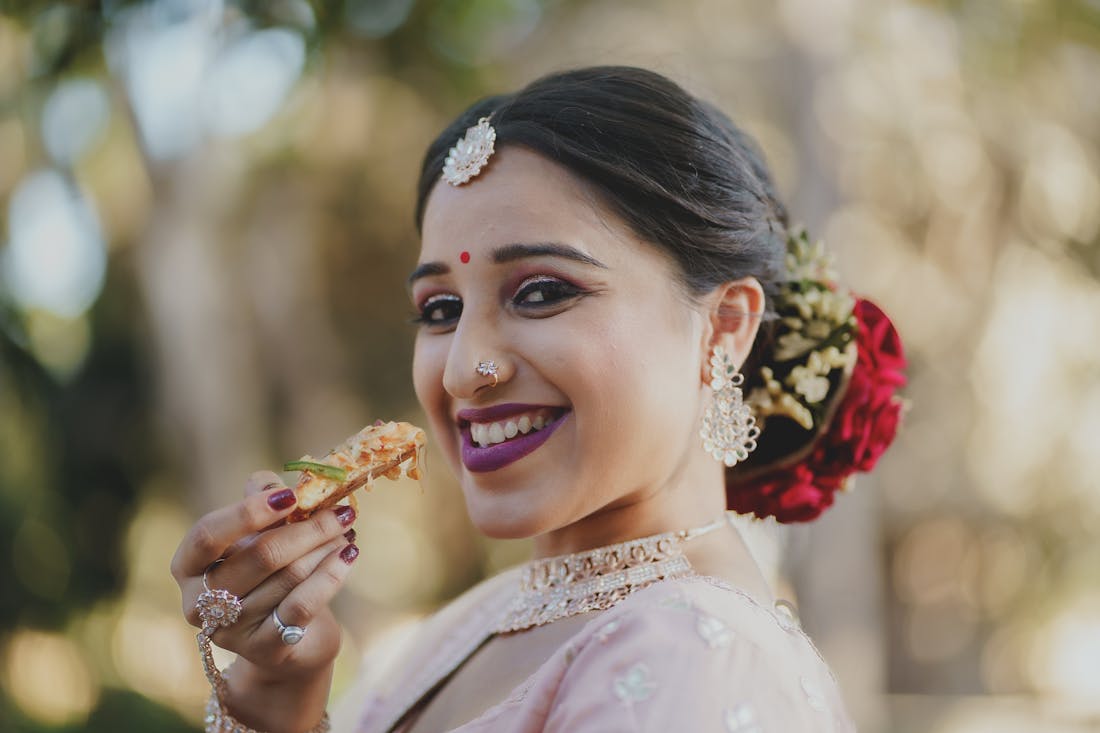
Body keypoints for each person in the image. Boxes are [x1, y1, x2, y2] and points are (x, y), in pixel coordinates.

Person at [172, 66, 908, 733]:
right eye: (439, 309)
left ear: (723, 327)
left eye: (542, 292)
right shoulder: (469, 626)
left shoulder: (692, 653)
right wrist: (279, 693)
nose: (463, 370)